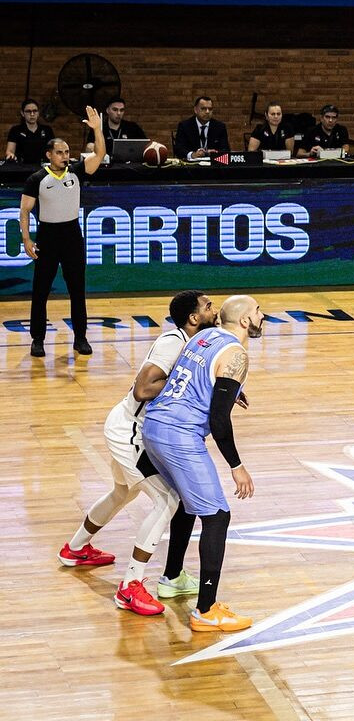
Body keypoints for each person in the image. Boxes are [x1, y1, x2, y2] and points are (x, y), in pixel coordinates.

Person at [58, 291, 218, 616]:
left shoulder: (191, 344)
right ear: (192, 317)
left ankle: (75, 549)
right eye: (208, 306)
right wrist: (190, 384)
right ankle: (130, 587)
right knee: (168, 499)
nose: (214, 310)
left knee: (122, 492)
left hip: (127, 425)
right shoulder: (173, 341)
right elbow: (144, 388)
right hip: (130, 430)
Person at [141, 295, 267, 633]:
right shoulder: (236, 355)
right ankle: (206, 611)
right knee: (218, 516)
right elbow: (218, 420)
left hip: (153, 426)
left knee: (187, 501)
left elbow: (192, 378)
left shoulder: (202, 336)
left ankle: (171, 578)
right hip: (179, 436)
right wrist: (236, 465)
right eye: (257, 311)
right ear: (244, 321)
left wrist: (225, 391)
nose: (262, 315)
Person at [20, 105, 106, 357]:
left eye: (67, 152)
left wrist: (97, 130)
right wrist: (26, 238)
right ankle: (38, 340)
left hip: (71, 235)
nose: (65, 156)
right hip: (47, 236)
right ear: (49, 155)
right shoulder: (36, 179)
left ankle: (80, 338)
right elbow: (24, 211)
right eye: (60, 152)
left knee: (77, 289)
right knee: (41, 290)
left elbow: (100, 153)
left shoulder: (77, 171)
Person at [174, 96, 231, 161]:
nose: (207, 112)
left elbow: (226, 150)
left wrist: (216, 152)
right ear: (195, 110)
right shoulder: (185, 126)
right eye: (203, 109)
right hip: (191, 167)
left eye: (210, 109)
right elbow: (178, 149)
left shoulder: (220, 126)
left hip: (213, 166)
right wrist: (192, 154)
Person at [6, 99, 55, 165]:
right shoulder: (15, 130)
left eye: (35, 111)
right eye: (28, 111)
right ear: (22, 113)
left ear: (38, 113)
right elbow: (10, 150)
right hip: (21, 168)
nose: (32, 114)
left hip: (43, 168)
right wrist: (11, 155)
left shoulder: (47, 130)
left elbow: (53, 149)